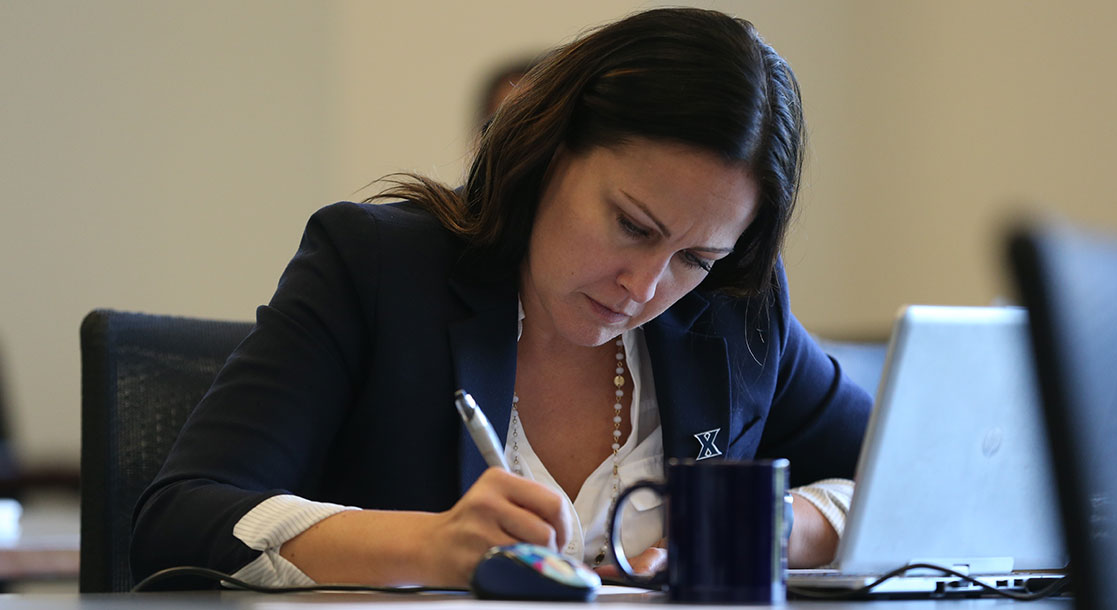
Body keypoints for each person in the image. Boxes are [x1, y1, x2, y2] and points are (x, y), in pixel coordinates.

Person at [130, 7, 872, 589]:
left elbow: (902, 477)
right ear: (547, 151)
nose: (646, 287)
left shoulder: (733, 309)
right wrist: (434, 546)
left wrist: (782, 525)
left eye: (696, 257)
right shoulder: (377, 269)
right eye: (631, 225)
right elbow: (180, 516)